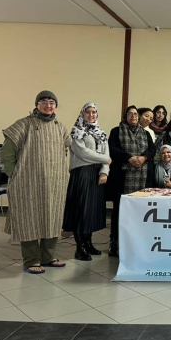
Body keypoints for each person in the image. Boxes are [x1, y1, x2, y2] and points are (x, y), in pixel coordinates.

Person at [0, 91, 71, 273]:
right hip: (27, 183)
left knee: (52, 219)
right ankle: (31, 260)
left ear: (56, 106)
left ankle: (47, 257)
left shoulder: (60, 127)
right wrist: (14, 174)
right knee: (28, 220)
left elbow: (65, 151)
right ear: (37, 105)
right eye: (43, 101)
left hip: (55, 184)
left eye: (51, 102)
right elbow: (7, 152)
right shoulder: (24, 124)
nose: (48, 105)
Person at [106, 105, 156, 257]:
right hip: (121, 178)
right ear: (125, 116)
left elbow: (152, 149)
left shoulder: (145, 133)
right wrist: (129, 158)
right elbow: (112, 148)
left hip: (141, 178)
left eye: (135, 114)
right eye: (130, 114)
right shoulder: (116, 131)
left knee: (138, 212)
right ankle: (115, 243)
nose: (133, 116)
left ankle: (135, 244)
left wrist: (143, 158)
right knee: (119, 211)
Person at [63, 102, 111, 261]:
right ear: (82, 114)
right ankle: (80, 247)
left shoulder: (101, 133)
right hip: (82, 173)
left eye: (94, 112)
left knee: (91, 210)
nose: (91, 115)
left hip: (97, 174)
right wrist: (104, 159)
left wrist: (104, 171)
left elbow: (107, 153)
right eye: (88, 112)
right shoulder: (77, 131)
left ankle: (89, 243)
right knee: (81, 210)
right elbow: (82, 153)